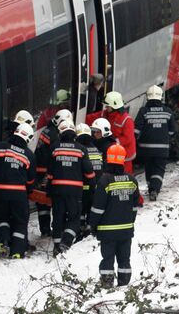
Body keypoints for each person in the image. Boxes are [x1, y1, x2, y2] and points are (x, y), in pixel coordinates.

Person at [0, 122, 37, 259]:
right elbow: (31, 180)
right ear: (28, 138)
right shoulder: (29, 155)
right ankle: (17, 252)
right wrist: (28, 190)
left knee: (2, 219)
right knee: (20, 222)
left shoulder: (0, 147)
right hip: (19, 195)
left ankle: (4, 243)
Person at [89, 144, 140, 288]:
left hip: (107, 231)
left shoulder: (105, 181)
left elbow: (97, 208)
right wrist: (130, 220)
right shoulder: (131, 180)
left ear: (108, 160)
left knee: (108, 258)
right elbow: (135, 206)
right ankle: (124, 284)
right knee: (124, 258)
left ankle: (107, 283)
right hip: (126, 230)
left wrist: (93, 226)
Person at [47, 119, 95, 256]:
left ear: (60, 133)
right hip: (75, 191)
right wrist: (92, 185)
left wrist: (49, 188)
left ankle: (56, 246)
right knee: (74, 218)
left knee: (57, 217)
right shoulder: (81, 149)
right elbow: (89, 171)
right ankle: (66, 242)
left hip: (57, 189)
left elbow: (50, 172)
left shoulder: (54, 147)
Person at [134, 85, 177, 201]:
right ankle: (154, 189)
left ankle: (150, 188)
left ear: (147, 98)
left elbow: (136, 130)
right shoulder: (168, 111)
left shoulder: (143, 111)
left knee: (149, 168)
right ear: (161, 97)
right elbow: (173, 131)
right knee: (159, 169)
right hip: (162, 149)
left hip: (145, 149)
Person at [33, 108, 72, 237]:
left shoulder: (47, 130)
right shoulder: (55, 135)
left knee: (42, 203)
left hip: (39, 170)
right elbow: (55, 154)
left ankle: (44, 229)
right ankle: (55, 229)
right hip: (47, 171)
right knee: (53, 199)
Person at [87, 91, 137, 176]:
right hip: (112, 151)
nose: (106, 107)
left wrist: (113, 143)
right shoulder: (105, 114)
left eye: (108, 106)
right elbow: (90, 118)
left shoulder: (127, 120)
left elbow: (127, 138)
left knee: (125, 176)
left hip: (125, 155)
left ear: (114, 106)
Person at [76, 122, 103, 238]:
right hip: (96, 187)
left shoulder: (80, 150)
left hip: (83, 186)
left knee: (80, 210)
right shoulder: (95, 149)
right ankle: (88, 227)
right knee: (90, 209)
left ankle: (81, 228)